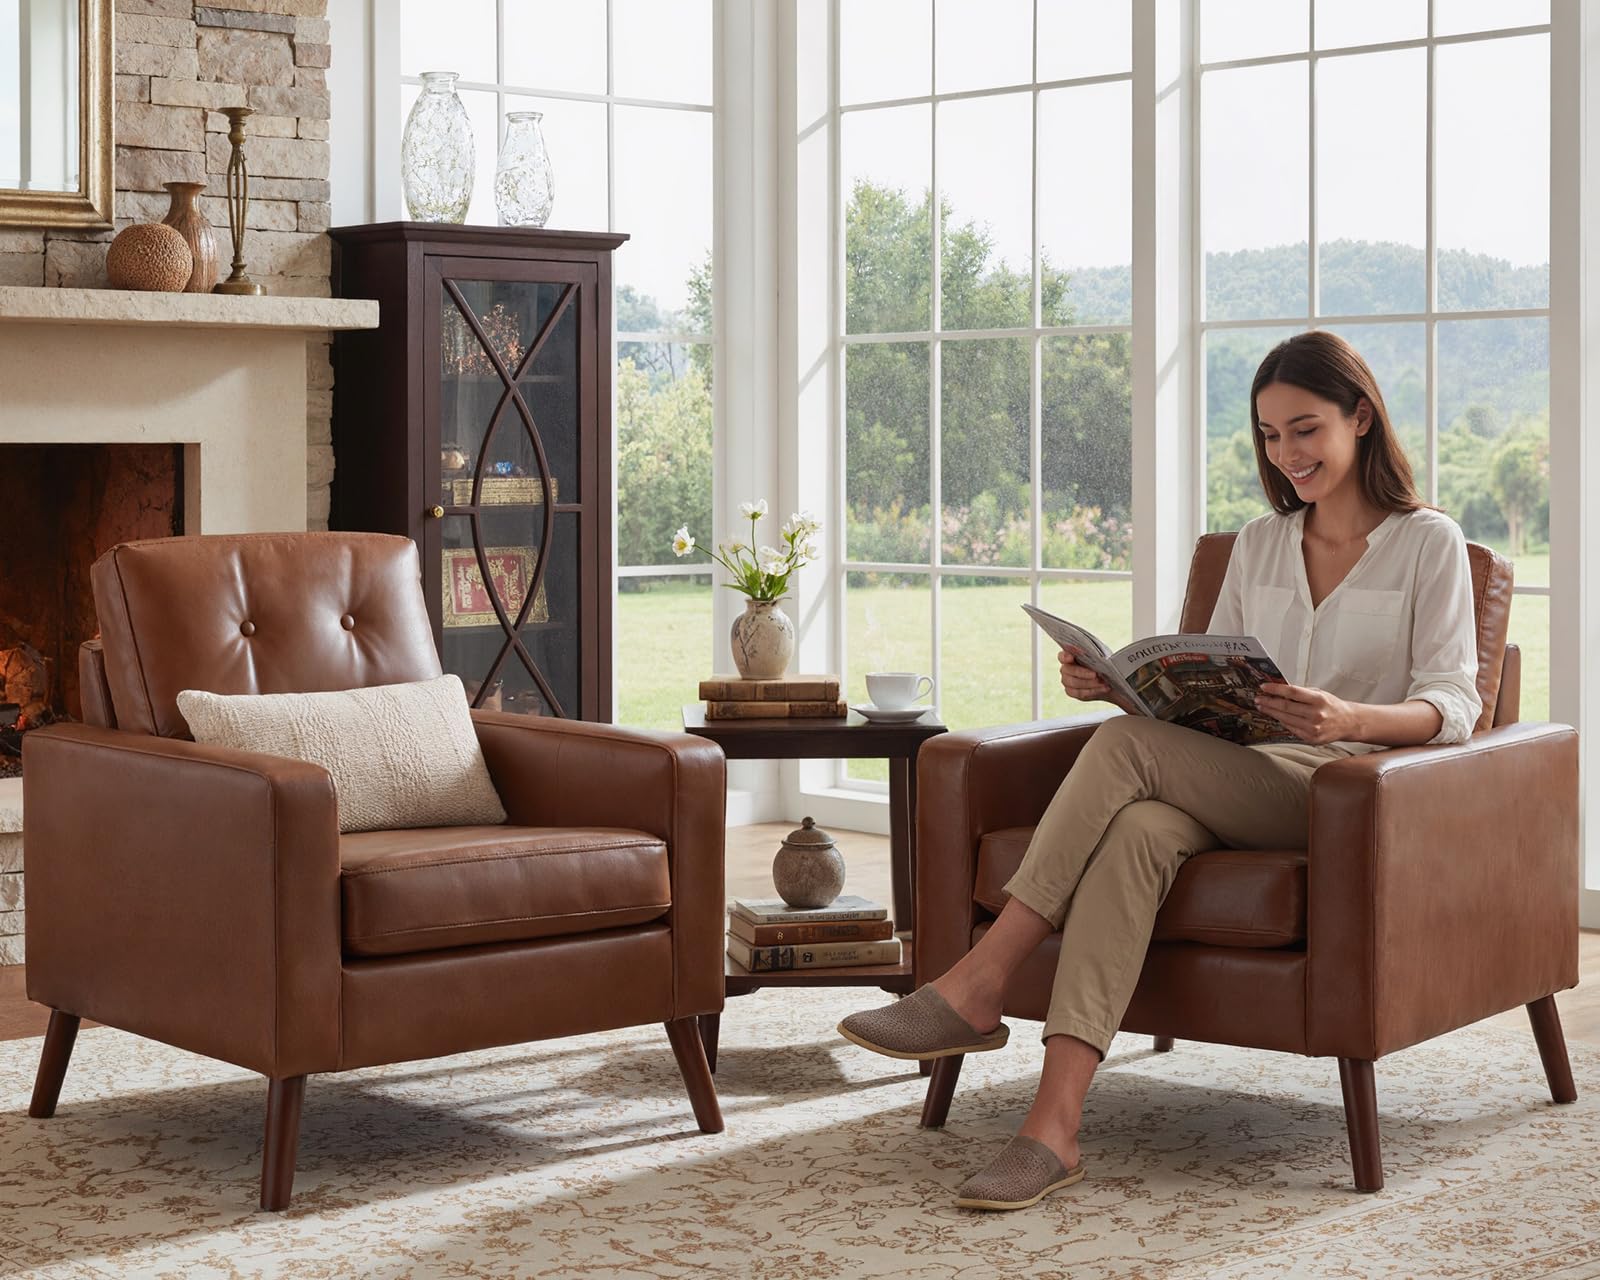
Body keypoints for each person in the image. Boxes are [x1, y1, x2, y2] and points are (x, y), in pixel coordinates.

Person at [837, 330, 1483, 1212]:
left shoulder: (1427, 543)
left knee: (1125, 754)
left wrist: (1351, 717)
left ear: (1361, 418)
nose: (1286, 454)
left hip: (1344, 792)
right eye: (1268, 435)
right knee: (1138, 824)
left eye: (1305, 429)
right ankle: (1053, 1129)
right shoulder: (1258, 543)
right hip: (1235, 770)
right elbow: (1211, 680)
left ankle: (977, 982)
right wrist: (1119, 688)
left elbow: (1454, 702)